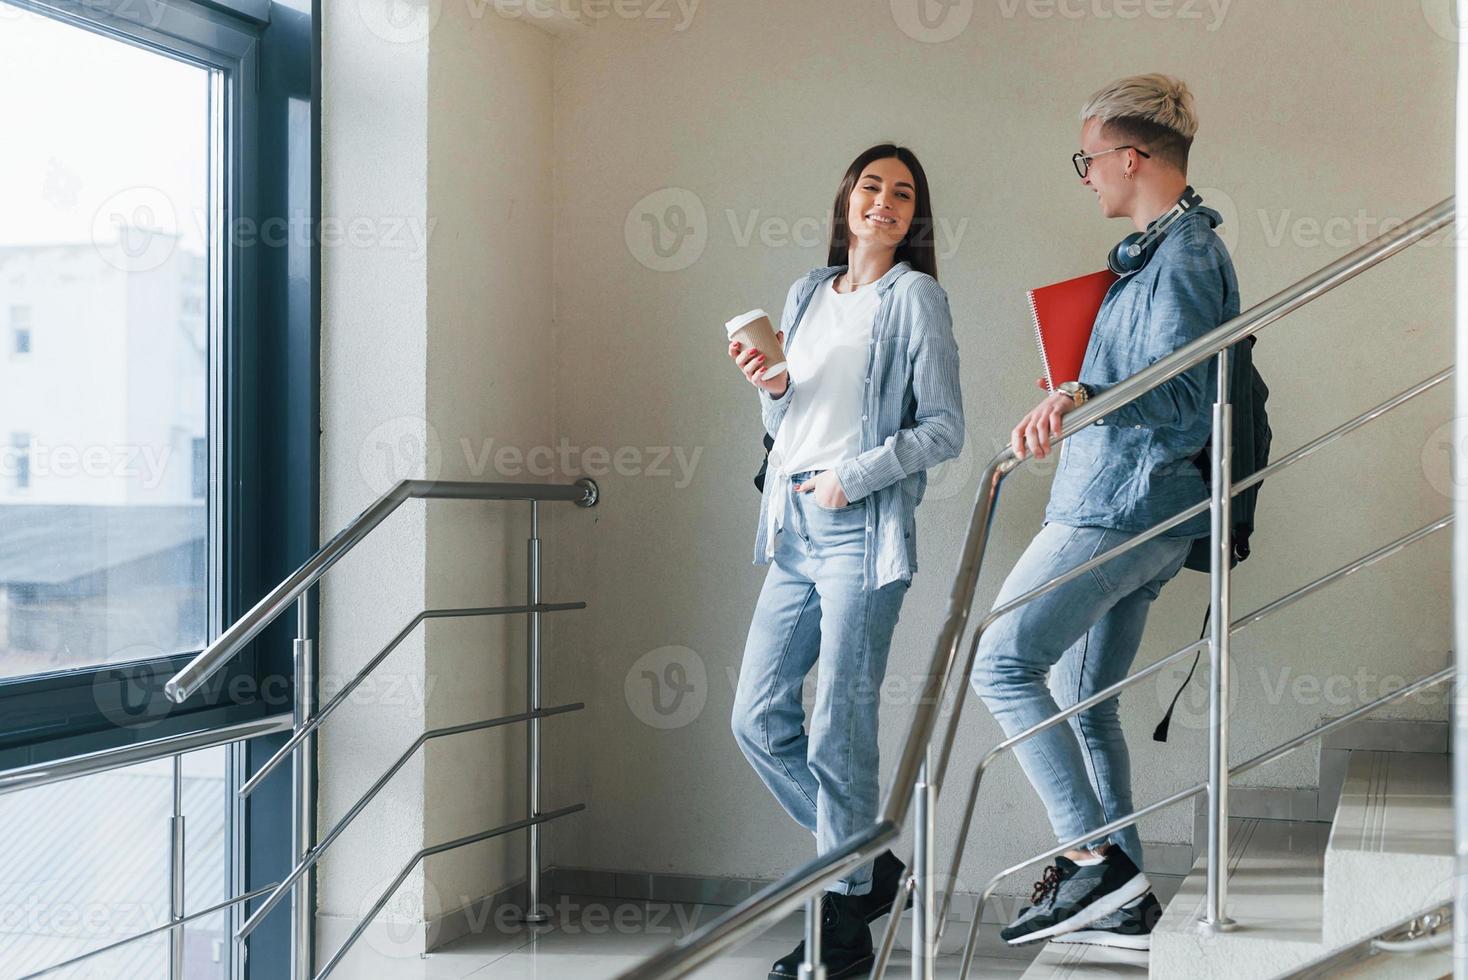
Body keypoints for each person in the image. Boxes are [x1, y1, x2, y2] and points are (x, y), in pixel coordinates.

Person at [969, 74, 1239, 950]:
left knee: (1002, 660)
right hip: (1126, 501)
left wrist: (1084, 389)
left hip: (1124, 508)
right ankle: (1124, 901)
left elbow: (1187, 401)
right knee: (1086, 703)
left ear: (1131, 157)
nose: (1085, 174)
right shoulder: (1156, 253)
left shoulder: (1188, 255)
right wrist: (1072, 394)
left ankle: (1094, 863)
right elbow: (1142, 383)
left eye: (1088, 158)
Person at [727, 143, 965, 979]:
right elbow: (789, 418)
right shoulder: (806, 292)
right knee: (757, 719)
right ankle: (867, 870)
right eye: (872, 186)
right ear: (847, 197)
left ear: (913, 215)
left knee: (839, 729)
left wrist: (850, 479)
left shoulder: (916, 299)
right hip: (790, 527)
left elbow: (945, 429)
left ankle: (840, 924)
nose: (885, 202)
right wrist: (772, 383)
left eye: (903, 194)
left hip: (860, 529)